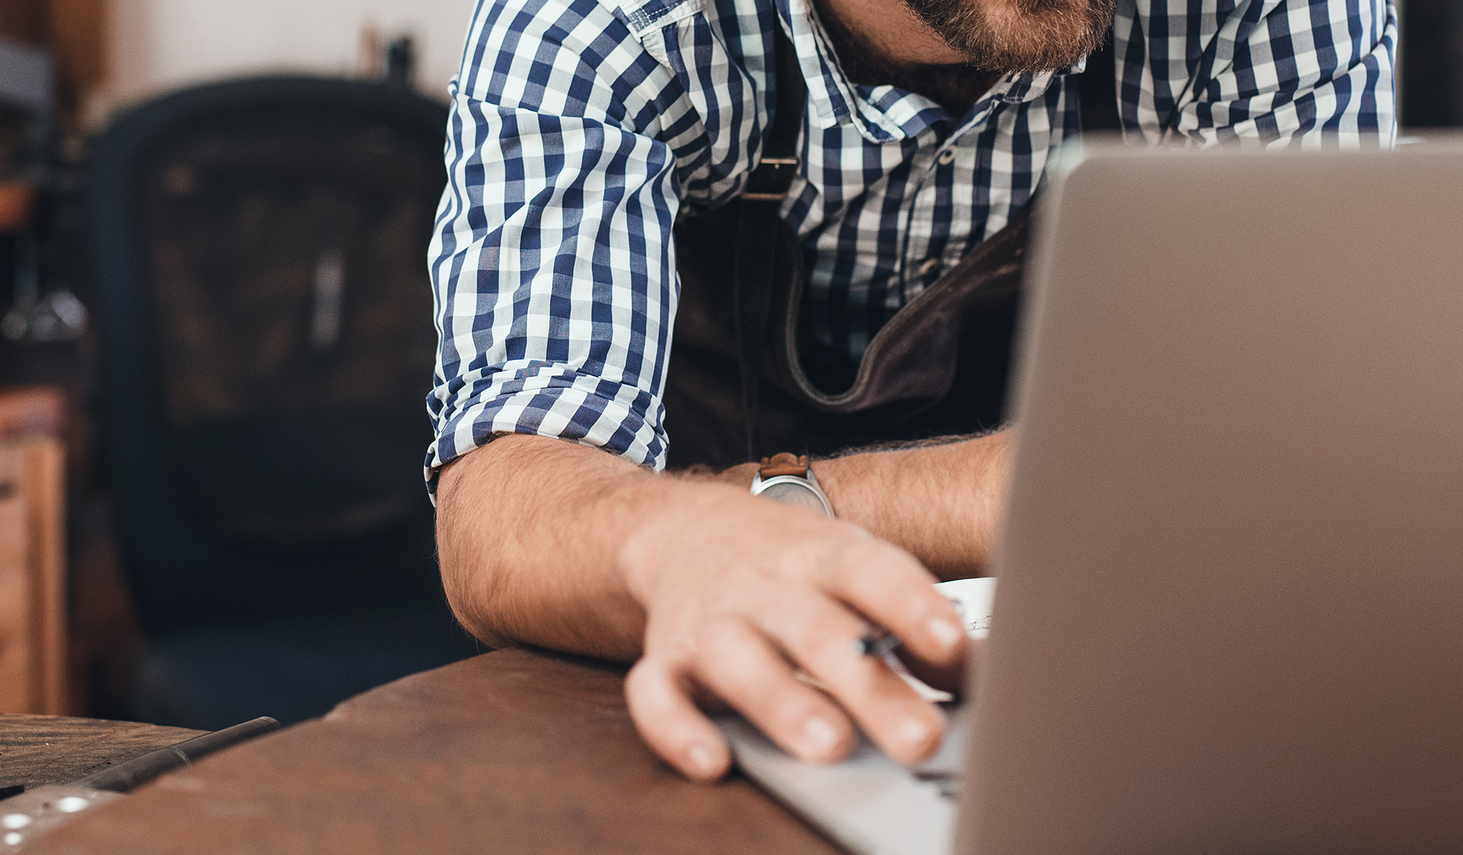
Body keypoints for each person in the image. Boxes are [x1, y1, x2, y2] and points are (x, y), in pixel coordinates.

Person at [425, 0, 1396, 782]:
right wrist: (669, 541)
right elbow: (504, 516)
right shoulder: (602, 24)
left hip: (1094, 685)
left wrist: (774, 510)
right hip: (721, 695)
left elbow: (1298, 465)